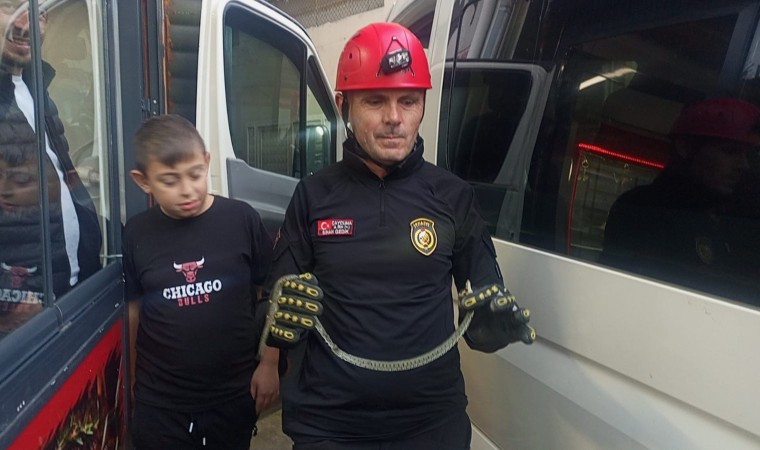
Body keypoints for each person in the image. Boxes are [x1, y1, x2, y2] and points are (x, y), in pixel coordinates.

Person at [261, 22, 535, 450]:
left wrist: (486, 330)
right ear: (344, 105)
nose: (394, 118)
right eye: (375, 101)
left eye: (408, 101)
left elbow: (485, 290)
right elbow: (277, 298)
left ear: (422, 104)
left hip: (431, 423)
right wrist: (277, 329)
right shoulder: (313, 195)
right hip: (329, 425)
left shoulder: (454, 196)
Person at [122, 114, 279, 449]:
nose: (187, 189)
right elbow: (134, 312)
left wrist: (270, 363)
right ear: (143, 181)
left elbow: (270, 296)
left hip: (233, 394)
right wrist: (131, 383)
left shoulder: (242, 219)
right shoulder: (136, 233)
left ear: (207, 161)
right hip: (161, 401)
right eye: (169, 181)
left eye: (195, 174)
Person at [0, 0, 101, 336]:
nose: (25, 24)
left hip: (66, 289)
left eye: (38, 12)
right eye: (9, 6)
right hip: (22, 315)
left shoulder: (33, 86)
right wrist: (9, 298)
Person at [602, 97, 760, 304]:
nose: (743, 165)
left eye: (746, 155)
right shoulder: (643, 210)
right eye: (730, 151)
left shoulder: (725, 219)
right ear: (686, 148)